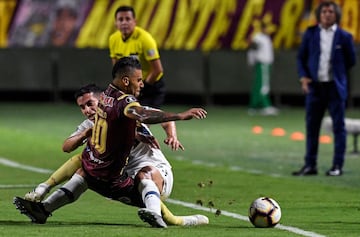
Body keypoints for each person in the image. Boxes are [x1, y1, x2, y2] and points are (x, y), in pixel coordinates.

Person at [14, 57, 207, 228]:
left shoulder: (116, 102)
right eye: (138, 80)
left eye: (90, 104)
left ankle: (155, 213)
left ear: (100, 99)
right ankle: (44, 208)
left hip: (156, 175)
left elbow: (148, 115)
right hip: (120, 177)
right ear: (125, 81)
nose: (141, 84)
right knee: (86, 166)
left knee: (142, 173)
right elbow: (67, 147)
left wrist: (173, 133)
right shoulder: (111, 108)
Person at [292, 1, 356, 176]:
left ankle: (337, 166)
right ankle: (310, 165)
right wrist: (303, 76)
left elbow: (351, 60)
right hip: (315, 88)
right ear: (319, 14)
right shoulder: (310, 34)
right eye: (324, 11)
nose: (327, 14)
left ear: (336, 15)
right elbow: (301, 58)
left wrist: (338, 74)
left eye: (331, 12)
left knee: (339, 128)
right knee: (312, 127)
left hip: (335, 87)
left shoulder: (344, 36)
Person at [109, 5, 165, 109]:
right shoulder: (113, 39)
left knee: (147, 119)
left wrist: (143, 88)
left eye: (128, 19)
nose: (124, 22)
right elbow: (117, 68)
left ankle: (170, 123)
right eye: (120, 19)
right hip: (129, 86)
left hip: (150, 86)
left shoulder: (145, 39)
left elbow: (157, 69)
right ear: (115, 23)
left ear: (135, 21)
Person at [247, 22, 278, 116]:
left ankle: (254, 106)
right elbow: (252, 49)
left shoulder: (266, 38)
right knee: (263, 86)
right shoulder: (258, 37)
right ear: (262, 28)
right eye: (266, 28)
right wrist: (251, 61)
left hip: (266, 64)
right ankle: (266, 106)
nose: (267, 30)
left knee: (258, 85)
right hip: (262, 64)